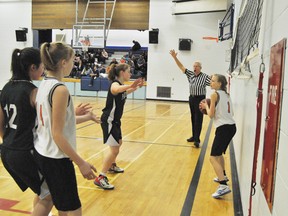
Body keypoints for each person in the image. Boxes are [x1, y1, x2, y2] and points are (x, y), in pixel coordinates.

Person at [34, 42, 99, 215]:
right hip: (56, 159)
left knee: (51, 202)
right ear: (63, 62)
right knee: (73, 210)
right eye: (72, 60)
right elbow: (57, 133)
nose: (74, 63)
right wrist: (81, 163)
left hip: (43, 153)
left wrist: (87, 117)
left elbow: (56, 123)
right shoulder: (60, 90)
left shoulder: (44, 84)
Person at [0, 47, 53, 215]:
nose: (43, 69)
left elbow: (0, 125)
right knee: (50, 195)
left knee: (42, 191)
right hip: (24, 152)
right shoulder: (33, 91)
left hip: (7, 151)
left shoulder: (6, 88)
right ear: (33, 67)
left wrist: (11, 141)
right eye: (42, 66)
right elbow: (49, 121)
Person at [94, 64, 144, 190]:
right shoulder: (115, 84)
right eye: (129, 71)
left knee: (119, 143)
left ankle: (111, 165)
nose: (130, 74)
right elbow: (116, 89)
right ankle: (100, 177)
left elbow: (125, 92)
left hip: (115, 121)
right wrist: (131, 85)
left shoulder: (122, 87)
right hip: (109, 121)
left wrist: (135, 87)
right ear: (122, 72)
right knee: (114, 150)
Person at [199, 74, 236, 198]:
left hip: (224, 128)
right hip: (231, 127)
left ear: (220, 84)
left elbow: (210, 115)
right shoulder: (227, 94)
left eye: (213, 81)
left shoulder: (214, 95)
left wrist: (206, 106)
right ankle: (223, 175)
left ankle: (223, 185)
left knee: (212, 157)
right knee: (218, 154)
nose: (211, 83)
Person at [169, 49, 211, 148]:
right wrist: (175, 57)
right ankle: (194, 136)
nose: (194, 67)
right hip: (191, 98)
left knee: (198, 119)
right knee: (193, 117)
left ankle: (197, 139)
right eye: (194, 66)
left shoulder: (205, 77)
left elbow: (213, 83)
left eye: (196, 66)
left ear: (200, 68)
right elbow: (181, 67)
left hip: (200, 99)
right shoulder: (190, 74)